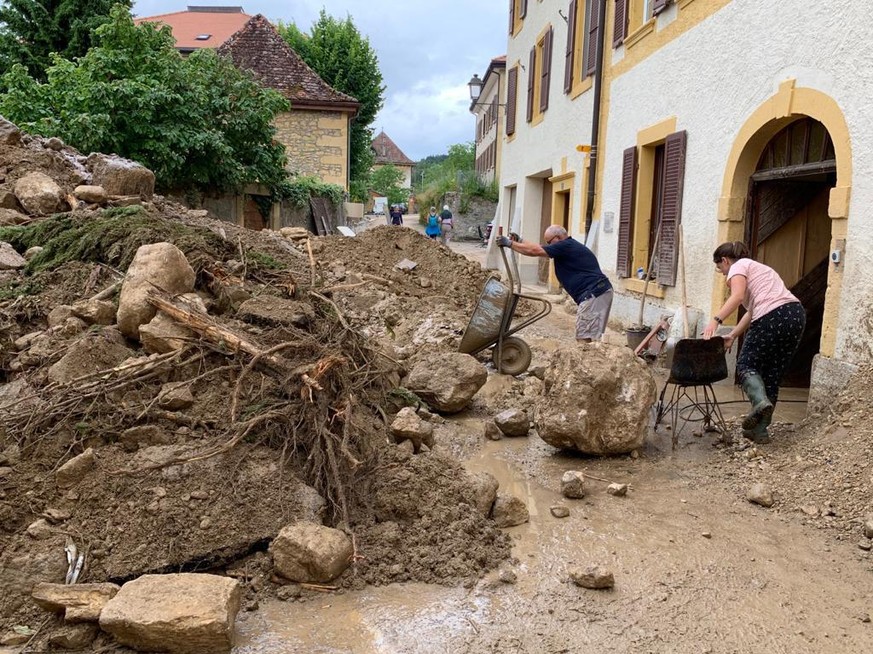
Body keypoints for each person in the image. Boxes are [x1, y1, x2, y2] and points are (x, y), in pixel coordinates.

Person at [702, 241, 805, 444]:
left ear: (725, 260)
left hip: (773, 316)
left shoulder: (739, 265)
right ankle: (759, 431)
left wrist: (716, 320)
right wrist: (732, 335)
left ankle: (759, 402)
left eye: (721, 269)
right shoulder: (761, 271)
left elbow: (737, 296)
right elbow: (751, 311)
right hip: (796, 315)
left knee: (745, 365)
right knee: (771, 374)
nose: (724, 275)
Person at [497, 225, 612, 342]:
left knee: (585, 338)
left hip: (594, 293)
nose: (550, 245)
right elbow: (539, 247)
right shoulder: (566, 246)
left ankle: (590, 359)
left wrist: (509, 243)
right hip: (596, 292)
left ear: (558, 237)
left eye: (550, 242)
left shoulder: (566, 246)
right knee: (587, 337)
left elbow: (534, 251)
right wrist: (520, 241)